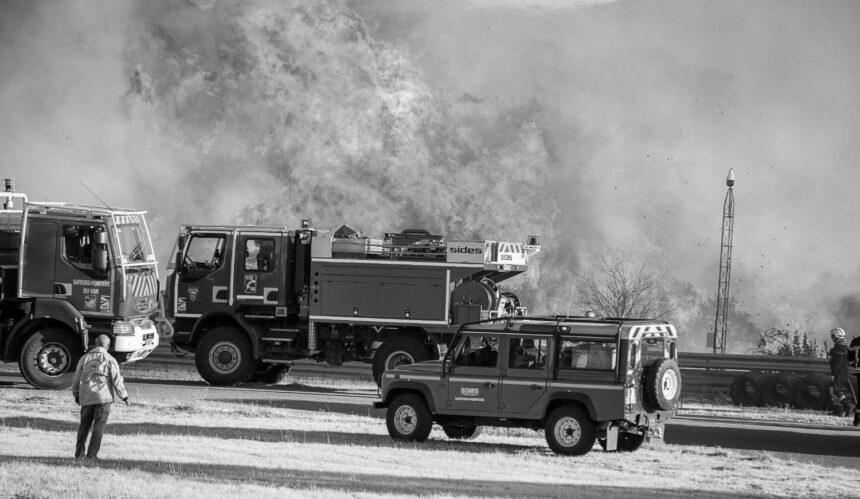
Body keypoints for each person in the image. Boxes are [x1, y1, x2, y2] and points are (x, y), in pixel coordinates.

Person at [71, 334, 129, 459]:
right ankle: (91, 455)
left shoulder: (84, 358)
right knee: (99, 427)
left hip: (86, 397)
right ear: (107, 346)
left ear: (96, 344)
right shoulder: (109, 359)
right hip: (103, 399)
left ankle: (79, 453)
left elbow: (76, 378)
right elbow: (117, 380)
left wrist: (76, 393)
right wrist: (124, 396)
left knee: (83, 427)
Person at [827, 328, 856, 423]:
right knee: (833, 390)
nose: (832, 338)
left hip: (840, 372)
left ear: (837, 336)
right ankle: (838, 411)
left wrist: (834, 373)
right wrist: (831, 352)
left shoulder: (840, 346)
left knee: (836, 390)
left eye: (833, 336)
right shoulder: (840, 345)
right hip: (839, 371)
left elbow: (838, 362)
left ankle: (849, 406)